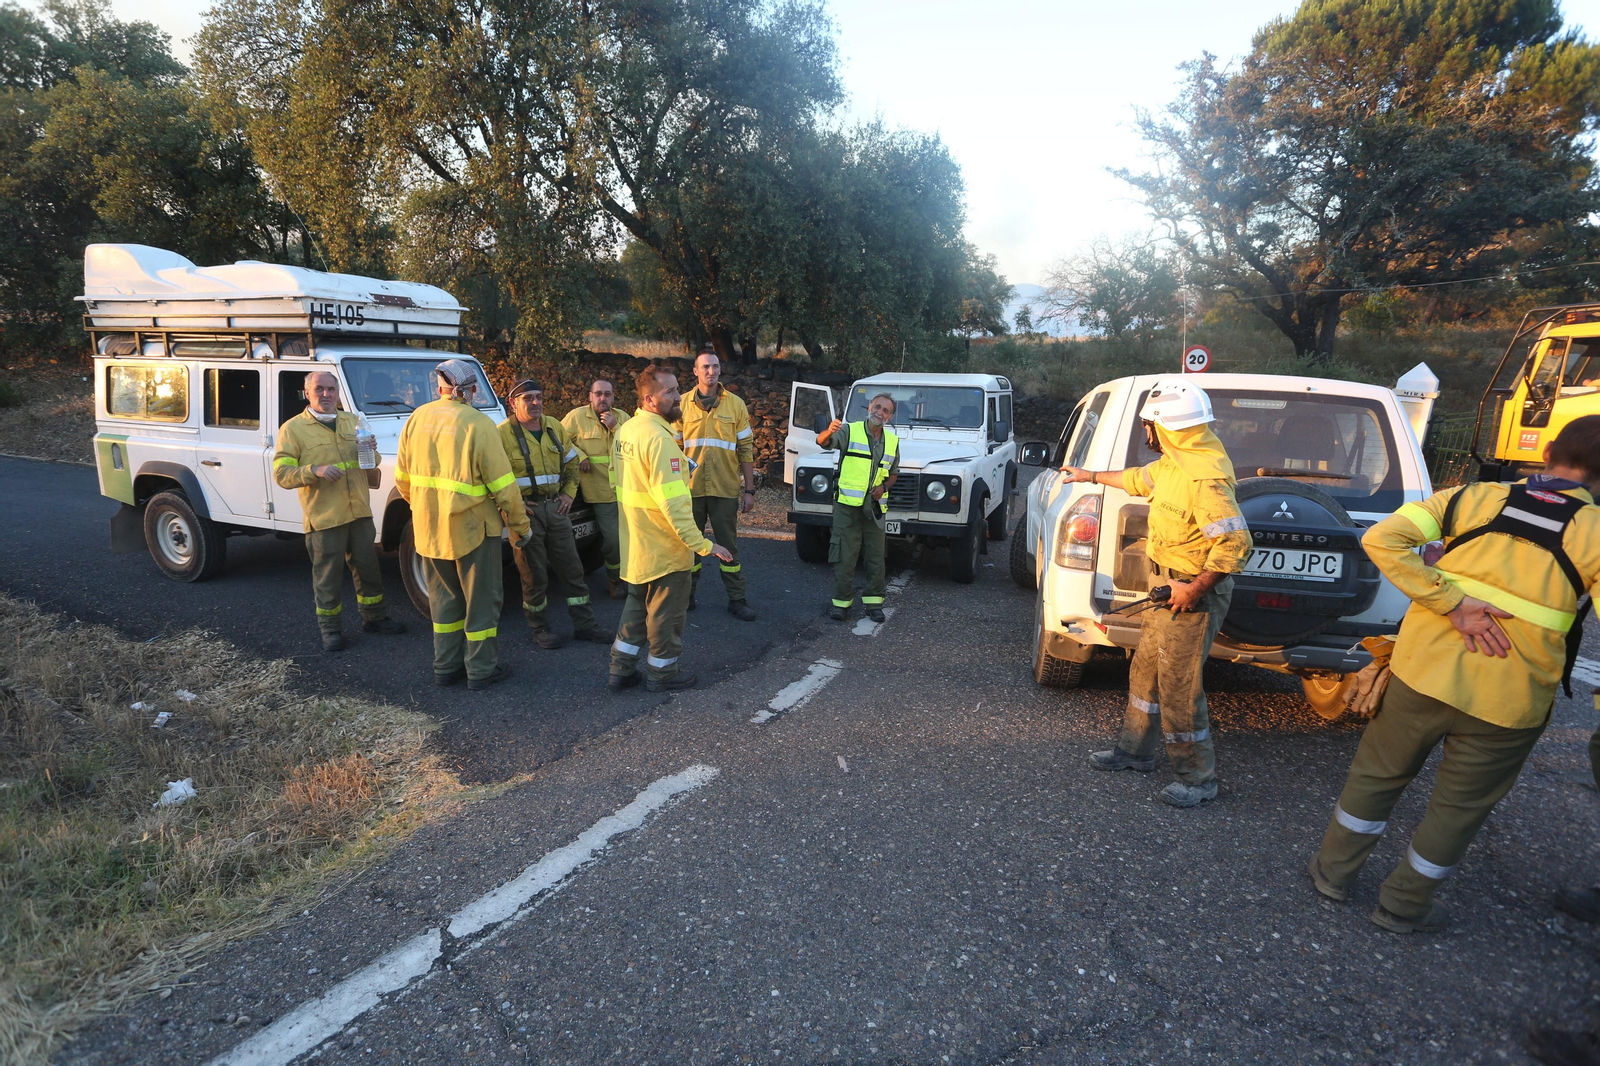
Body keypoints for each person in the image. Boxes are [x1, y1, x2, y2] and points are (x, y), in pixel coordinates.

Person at [1308, 415, 1600, 934]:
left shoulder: (1469, 498)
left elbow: (1381, 538)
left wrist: (1453, 603)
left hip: (1422, 673)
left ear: (1547, 449)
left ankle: (1332, 874)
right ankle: (1404, 906)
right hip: (1510, 699)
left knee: (1376, 777)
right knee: (1458, 809)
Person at [1060, 377, 1251, 808]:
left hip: (1190, 597)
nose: (1147, 432)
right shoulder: (1176, 463)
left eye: (1150, 424)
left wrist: (1194, 588)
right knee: (1145, 672)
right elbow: (1137, 479)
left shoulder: (1204, 478)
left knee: (1179, 688)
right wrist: (1088, 475)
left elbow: (1235, 544)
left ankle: (1197, 778)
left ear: (1166, 427)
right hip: (1165, 588)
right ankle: (1135, 752)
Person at [395, 359, 531, 691]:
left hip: (429, 529)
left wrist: (426, 508)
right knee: (482, 602)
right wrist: (521, 526)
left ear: (439, 387)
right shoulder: (478, 424)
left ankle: (446, 667)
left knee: (444, 601)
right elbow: (504, 487)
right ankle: (481, 670)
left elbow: (402, 481)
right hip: (473, 531)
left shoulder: (416, 419)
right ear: (469, 390)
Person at [609, 366, 734, 692]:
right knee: (666, 615)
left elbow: (614, 479)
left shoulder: (626, 430)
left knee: (636, 607)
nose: (679, 397)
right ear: (650, 399)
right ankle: (662, 674)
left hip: (636, 544)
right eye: (671, 392)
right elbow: (675, 506)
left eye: (678, 389)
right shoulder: (659, 439)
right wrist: (704, 545)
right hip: (665, 548)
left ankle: (620, 669)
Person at [272, 370, 406, 652]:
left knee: (369, 570)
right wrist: (314, 470)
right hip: (324, 516)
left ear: (337, 393)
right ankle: (330, 629)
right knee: (328, 577)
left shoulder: (352, 421)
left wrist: (372, 450)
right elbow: (282, 474)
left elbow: (371, 462)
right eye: (319, 389)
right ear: (307, 393)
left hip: (359, 512)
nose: (326, 394)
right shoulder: (293, 429)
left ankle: (375, 618)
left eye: (331, 389)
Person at [498, 379, 611, 650]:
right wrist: (514, 504)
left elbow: (572, 463)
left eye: (538, 396)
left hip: (556, 509)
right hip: (525, 514)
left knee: (573, 570)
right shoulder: (502, 434)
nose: (536, 402)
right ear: (513, 403)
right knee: (533, 575)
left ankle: (586, 625)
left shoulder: (553, 426)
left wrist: (569, 494)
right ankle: (540, 629)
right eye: (528, 398)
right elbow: (492, 476)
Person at [674, 348, 758, 621]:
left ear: (720, 370)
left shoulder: (736, 405)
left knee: (728, 547)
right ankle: (686, 597)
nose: (711, 371)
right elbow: (673, 449)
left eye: (715, 366)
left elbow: (746, 449)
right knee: (689, 547)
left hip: (724, 489)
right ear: (695, 371)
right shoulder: (681, 404)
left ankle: (737, 599)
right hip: (690, 490)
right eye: (705, 367)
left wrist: (749, 490)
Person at [816, 393, 900, 622]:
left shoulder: (892, 441)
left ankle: (874, 604)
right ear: (869, 407)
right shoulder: (850, 430)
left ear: (890, 417)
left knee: (876, 558)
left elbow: (894, 473)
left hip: (874, 509)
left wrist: (884, 487)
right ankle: (841, 603)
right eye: (877, 407)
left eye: (886, 410)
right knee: (845, 556)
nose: (880, 412)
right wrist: (828, 431)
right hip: (847, 507)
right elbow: (822, 442)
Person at [562, 378, 631, 599]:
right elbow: (559, 440)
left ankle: (635, 576)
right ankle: (615, 580)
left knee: (633, 537)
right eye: (598, 394)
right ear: (590, 396)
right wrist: (580, 455)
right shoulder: (577, 417)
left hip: (627, 491)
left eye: (607, 394)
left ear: (613, 397)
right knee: (613, 540)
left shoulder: (623, 418)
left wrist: (615, 427)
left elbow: (636, 445)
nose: (603, 398)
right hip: (599, 492)